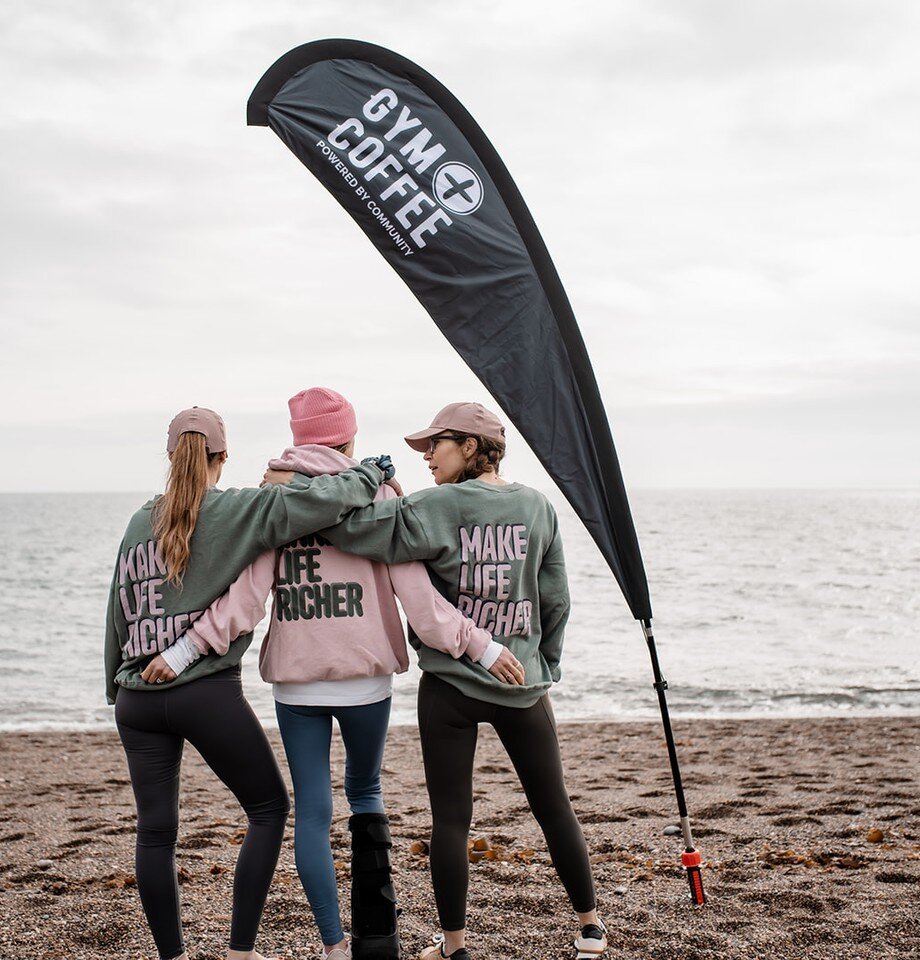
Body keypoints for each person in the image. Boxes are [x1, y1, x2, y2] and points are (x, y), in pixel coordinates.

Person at [156, 388, 521, 960]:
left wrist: (180, 653)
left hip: (298, 684)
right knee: (366, 792)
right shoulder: (377, 495)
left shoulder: (274, 500)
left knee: (313, 810)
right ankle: (377, 942)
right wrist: (480, 646)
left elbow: (245, 601)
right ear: (347, 439)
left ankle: (332, 945)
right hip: (366, 680)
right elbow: (420, 605)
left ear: (299, 439)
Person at [266, 402, 607, 960]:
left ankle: (454, 946)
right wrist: (546, 663)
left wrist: (297, 483)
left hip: (451, 685)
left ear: (470, 446)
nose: (426, 457)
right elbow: (556, 599)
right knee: (553, 805)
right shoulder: (538, 507)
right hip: (522, 682)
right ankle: (590, 926)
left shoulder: (433, 507)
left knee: (451, 817)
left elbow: (348, 528)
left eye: (436, 445)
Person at [103, 405, 392, 960]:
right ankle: (239, 951)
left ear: (170, 457)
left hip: (136, 699)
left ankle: (173, 956)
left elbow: (117, 612)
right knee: (268, 809)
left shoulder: (140, 521)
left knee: (156, 832)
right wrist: (372, 471)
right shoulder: (237, 510)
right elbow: (324, 500)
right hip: (203, 692)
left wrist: (117, 688)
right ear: (222, 456)